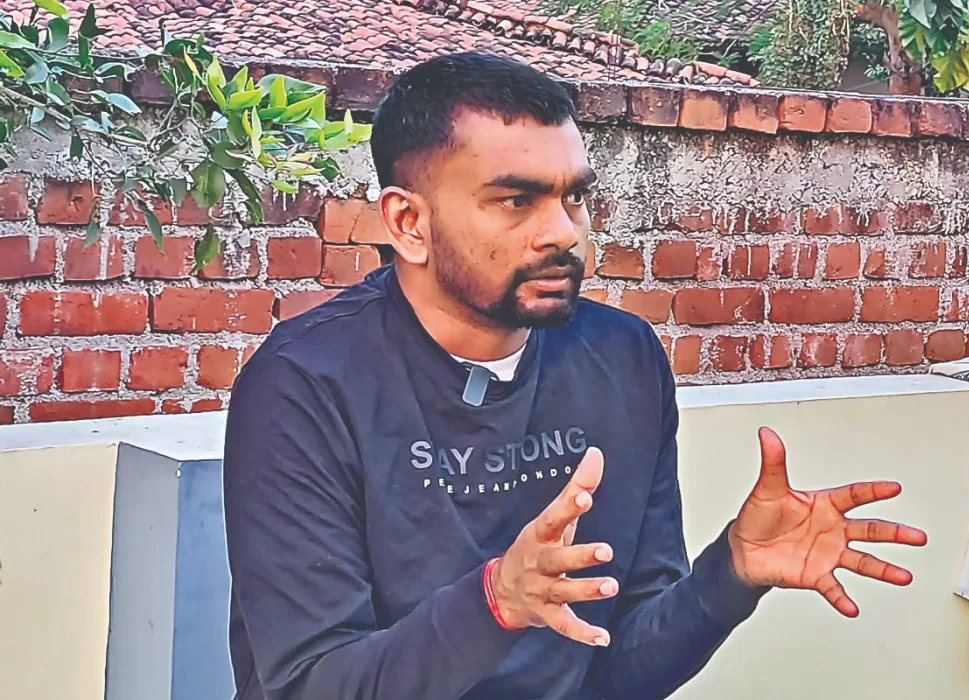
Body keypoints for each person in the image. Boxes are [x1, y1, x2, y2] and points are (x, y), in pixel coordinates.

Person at [222, 51, 928, 700]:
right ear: (408, 223)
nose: (563, 232)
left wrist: (732, 573)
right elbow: (311, 685)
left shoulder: (621, 359)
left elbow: (620, 667)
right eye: (516, 200)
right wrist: (495, 602)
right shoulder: (305, 384)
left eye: (574, 198)